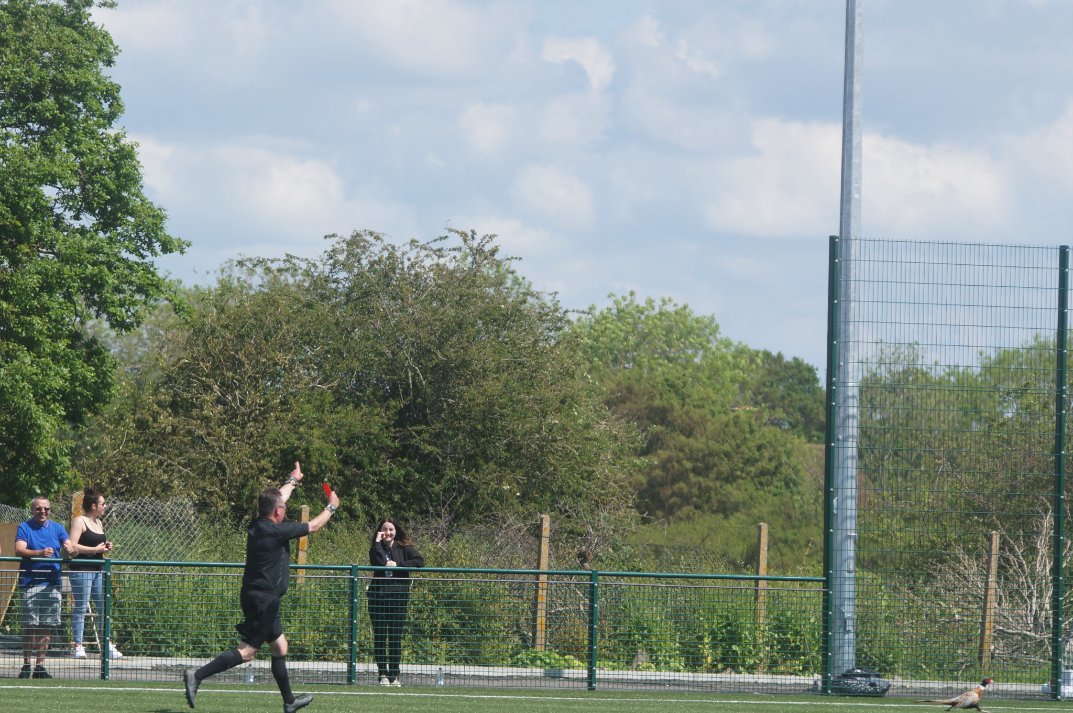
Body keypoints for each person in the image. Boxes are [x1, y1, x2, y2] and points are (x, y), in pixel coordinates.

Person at [183, 462, 338, 713]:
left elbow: (278, 498)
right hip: (264, 600)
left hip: (259, 596)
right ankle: (197, 675)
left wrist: (293, 479)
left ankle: (289, 702)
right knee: (247, 652)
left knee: (280, 647)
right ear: (277, 512)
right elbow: (314, 526)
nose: (285, 510)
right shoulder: (276, 532)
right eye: (283, 509)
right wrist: (332, 506)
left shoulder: (259, 524)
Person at [14, 496, 76, 678]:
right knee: (29, 625)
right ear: (32, 510)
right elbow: (19, 549)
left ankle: (40, 666)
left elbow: (68, 545)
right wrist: (39, 553)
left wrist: (69, 548)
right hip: (31, 583)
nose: (43, 512)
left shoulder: (57, 528)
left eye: (46, 509)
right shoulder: (24, 527)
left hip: (52, 583)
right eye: (39, 509)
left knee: (46, 626)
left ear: (50, 510)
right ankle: (26, 665)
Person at [368, 517, 424, 687]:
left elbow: (419, 562)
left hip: (398, 599)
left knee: (394, 638)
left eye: (391, 529)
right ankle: (382, 674)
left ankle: (394, 675)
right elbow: (375, 559)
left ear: (396, 531)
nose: (388, 533)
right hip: (378, 598)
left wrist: (397, 564)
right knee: (380, 637)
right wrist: (377, 542)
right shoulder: (376, 548)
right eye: (384, 529)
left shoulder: (404, 548)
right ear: (380, 532)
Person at [68, 487, 122, 660]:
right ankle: (78, 645)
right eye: (103, 504)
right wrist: (94, 550)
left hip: (99, 570)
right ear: (93, 505)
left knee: (103, 607)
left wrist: (105, 547)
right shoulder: (79, 521)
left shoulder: (99, 522)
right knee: (81, 607)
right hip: (82, 569)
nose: (105, 506)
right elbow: (73, 546)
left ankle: (106, 644)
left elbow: (99, 545)